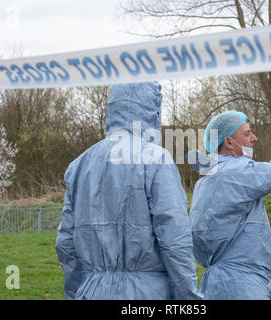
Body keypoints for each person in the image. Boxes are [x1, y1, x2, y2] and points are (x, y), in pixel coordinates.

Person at [55, 82, 203, 300]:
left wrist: (77, 291)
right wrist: (189, 298)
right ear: (151, 109)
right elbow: (174, 240)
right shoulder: (155, 158)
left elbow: (66, 243)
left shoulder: (79, 165)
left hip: (92, 291)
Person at [189, 110, 271, 300]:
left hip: (217, 286)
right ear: (229, 142)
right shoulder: (234, 172)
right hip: (243, 288)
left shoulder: (205, 181)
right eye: (247, 133)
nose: (254, 138)